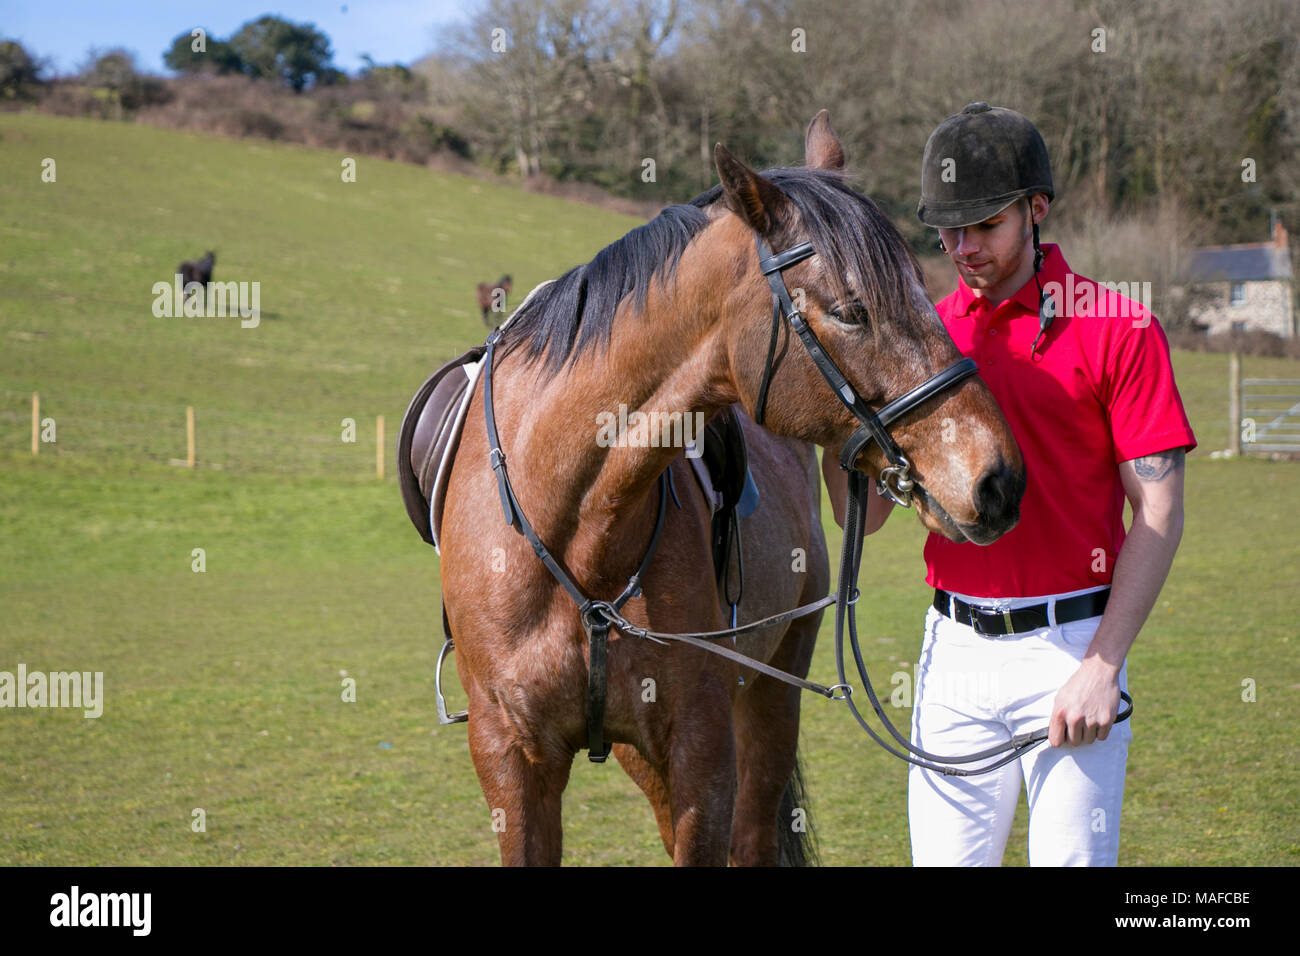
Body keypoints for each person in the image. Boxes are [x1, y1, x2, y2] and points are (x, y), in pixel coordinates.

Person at [823, 102, 1196, 866]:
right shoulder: (920, 338)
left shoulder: (1118, 327)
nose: (963, 248)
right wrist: (826, 420)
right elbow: (860, 522)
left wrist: (1103, 665)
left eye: (984, 226)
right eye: (947, 231)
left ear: (1036, 210)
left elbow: (1158, 507)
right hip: (952, 654)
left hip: (1072, 650)